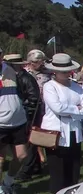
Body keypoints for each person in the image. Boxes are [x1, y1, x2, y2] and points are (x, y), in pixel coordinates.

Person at [41, 54, 83, 194]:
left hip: (74, 131)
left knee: (73, 169)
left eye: (68, 70)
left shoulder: (76, 86)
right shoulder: (49, 86)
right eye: (63, 71)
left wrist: (73, 110)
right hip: (56, 134)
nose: (66, 73)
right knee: (58, 171)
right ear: (54, 71)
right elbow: (57, 108)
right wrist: (76, 109)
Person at [17, 49, 52, 181]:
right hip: (32, 109)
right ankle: (34, 166)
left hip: (44, 108)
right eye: (39, 61)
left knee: (37, 137)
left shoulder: (48, 74)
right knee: (32, 138)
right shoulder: (25, 74)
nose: (42, 63)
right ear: (32, 62)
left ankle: (30, 168)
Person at [0, 50, 29, 194]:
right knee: (1, 159)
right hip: (1, 124)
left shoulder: (10, 69)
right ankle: (0, 193)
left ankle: (8, 183)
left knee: (22, 156)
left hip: (18, 121)